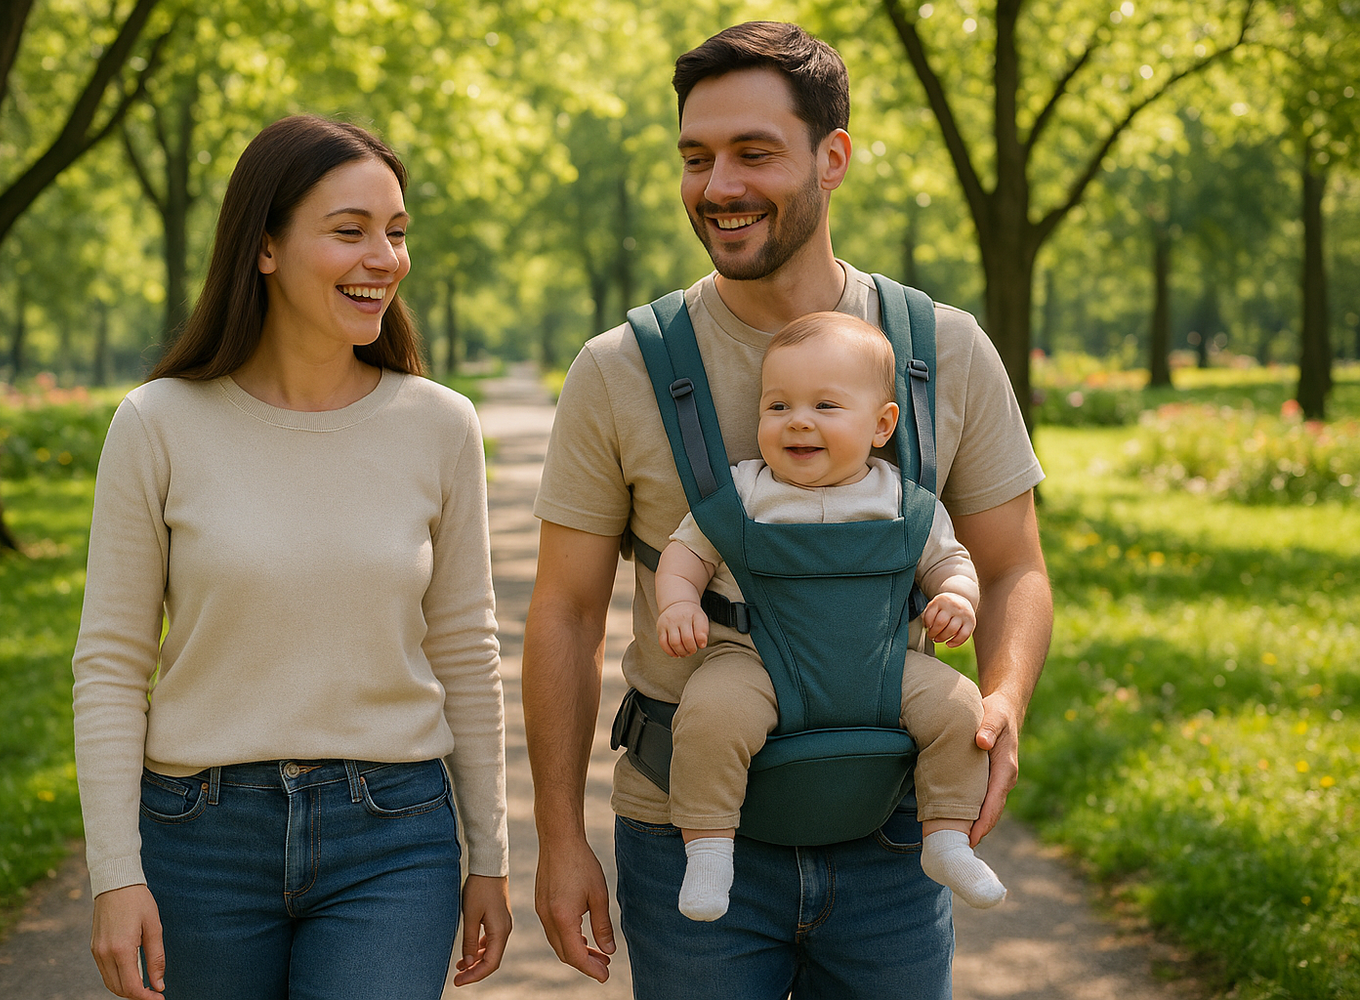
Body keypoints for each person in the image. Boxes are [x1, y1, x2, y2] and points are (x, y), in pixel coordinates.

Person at [523, 21, 1051, 999]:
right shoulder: (619, 370)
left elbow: (1013, 564)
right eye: (696, 157)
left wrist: (1002, 700)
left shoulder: (944, 351)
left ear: (833, 157)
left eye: (753, 153)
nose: (718, 185)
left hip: (890, 827)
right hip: (685, 828)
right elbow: (563, 609)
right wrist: (560, 838)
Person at [72, 115, 510, 1000]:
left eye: (395, 232)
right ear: (265, 247)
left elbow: (467, 647)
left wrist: (491, 857)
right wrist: (115, 875)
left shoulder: (439, 425)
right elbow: (112, 664)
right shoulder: (156, 424)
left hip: (392, 836)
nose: (384, 256)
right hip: (200, 841)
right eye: (349, 231)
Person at [654, 312, 1006, 921]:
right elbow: (685, 553)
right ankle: (709, 847)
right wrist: (680, 602)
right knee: (708, 717)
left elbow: (950, 560)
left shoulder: (901, 500)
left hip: (881, 665)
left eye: (825, 406)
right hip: (758, 661)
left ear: (882, 425)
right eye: (777, 406)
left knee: (960, 710)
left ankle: (946, 839)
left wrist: (956, 598)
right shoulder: (745, 491)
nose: (798, 420)